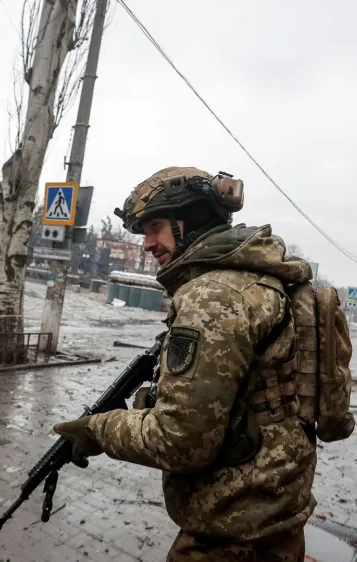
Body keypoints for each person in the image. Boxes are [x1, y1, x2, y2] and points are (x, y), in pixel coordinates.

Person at [53, 166, 318, 562]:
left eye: (155, 226)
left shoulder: (213, 296)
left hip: (231, 530)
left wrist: (98, 429)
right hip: (274, 510)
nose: (147, 243)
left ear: (191, 221)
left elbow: (180, 442)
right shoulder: (260, 279)